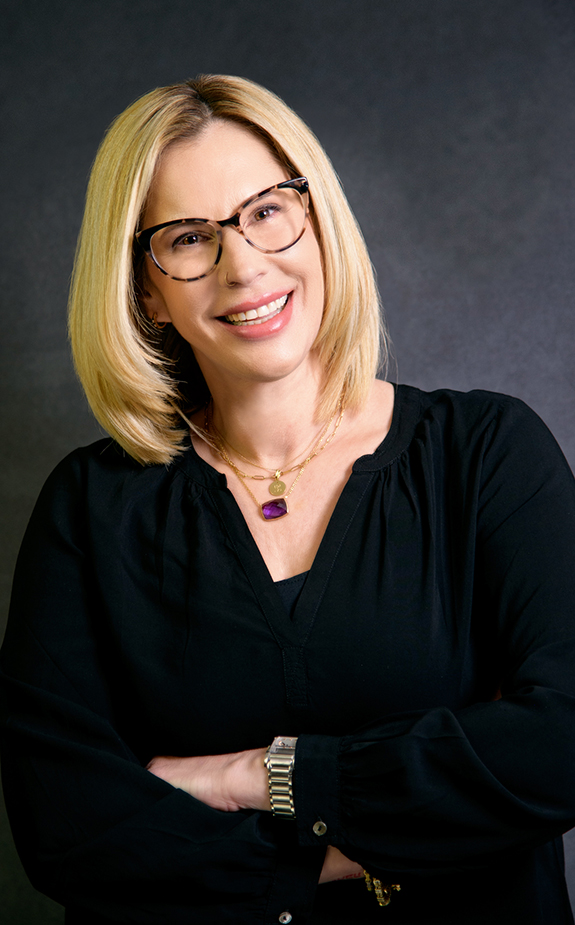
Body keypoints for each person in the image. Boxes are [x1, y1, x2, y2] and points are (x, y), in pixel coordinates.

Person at [1, 74, 575, 925]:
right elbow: (69, 827)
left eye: (266, 210)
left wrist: (252, 777)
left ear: (317, 218)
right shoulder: (91, 508)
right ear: (147, 291)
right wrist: (397, 830)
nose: (244, 265)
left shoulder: (484, 452)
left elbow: (561, 742)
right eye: (190, 237)